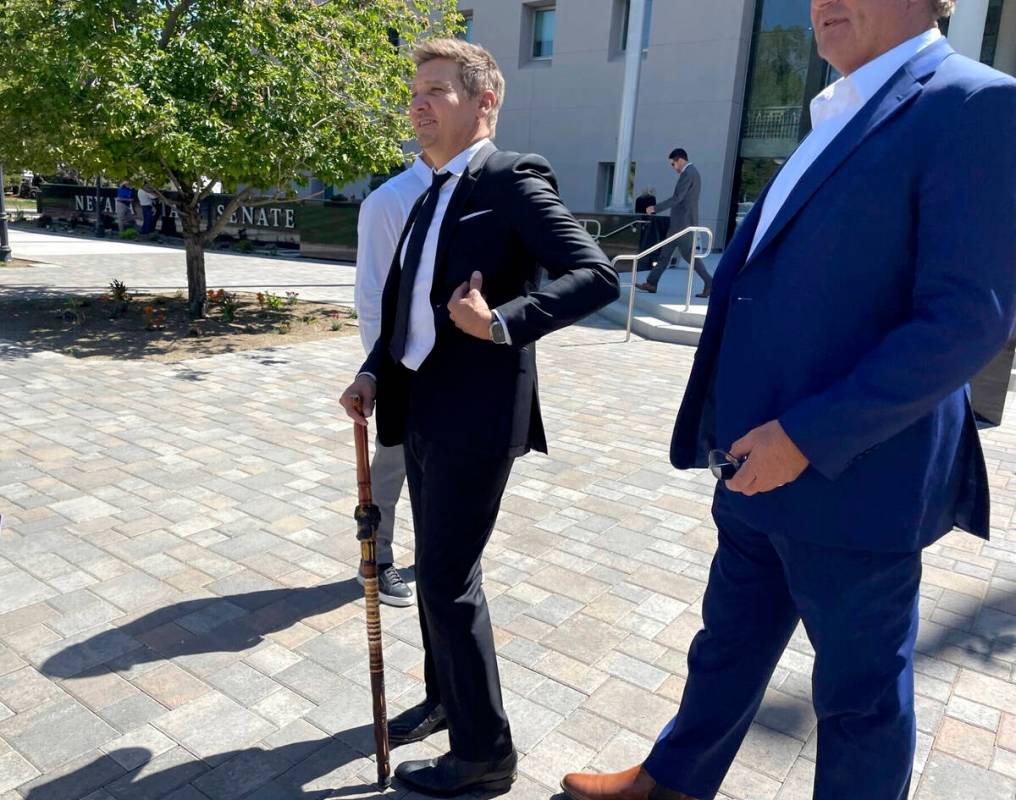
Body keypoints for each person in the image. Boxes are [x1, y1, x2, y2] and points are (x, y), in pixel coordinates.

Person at [562, 1, 1015, 799]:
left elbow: (967, 318)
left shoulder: (974, 102)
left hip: (850, 480)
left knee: (860, 704)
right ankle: (669, 783)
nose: (821, 2)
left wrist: (804, 437)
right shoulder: (839, 109)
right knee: (726, 649)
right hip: (750, 468)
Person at [339, 38, 619, 796]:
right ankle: (445, 698)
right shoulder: (431, 190)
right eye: (415, 92)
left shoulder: (510, 180)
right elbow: (411, 312)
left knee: (446, 579)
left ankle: (485, 753)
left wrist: (500, 323)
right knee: (436, 575)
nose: (418, 105)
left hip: (476, 417)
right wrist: (373, 371)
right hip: (421, 408)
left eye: (437, 90)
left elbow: (596, 276)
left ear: (483, 102)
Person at [352, 153, 434, 607]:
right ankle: (378, 559)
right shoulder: (391, 199)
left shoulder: (468, 192)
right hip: (401, 366)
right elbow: (371, 294)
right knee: (392, 464)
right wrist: (378, 370)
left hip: (451, 371)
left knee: (437, 467)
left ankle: (432, 553)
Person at [636, 148, 710, 297]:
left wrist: (655, 208)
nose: (673, 168)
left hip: (682, 224)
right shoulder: (692, 173)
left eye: (672, 164)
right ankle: (651, 283)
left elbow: (677, 198)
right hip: (682, 223)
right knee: (666, 254)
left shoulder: (688, 174)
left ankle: (710, 283)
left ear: (680, 160)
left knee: (685, 256)